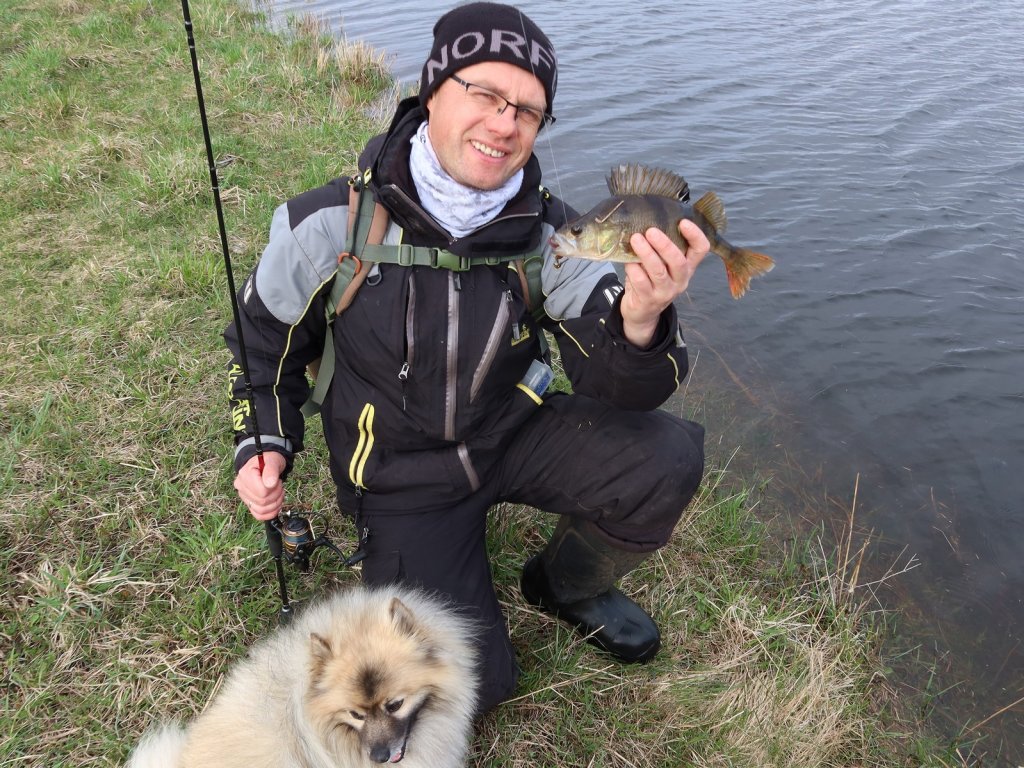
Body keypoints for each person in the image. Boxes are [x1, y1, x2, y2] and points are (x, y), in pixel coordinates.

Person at [226, 1, 708, 715]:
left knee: (666, 459)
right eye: (484, 93)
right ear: (432, 90)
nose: (504, 123)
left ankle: (564, 585)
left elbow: (622, 385)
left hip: (512, 434)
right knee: (469, 688)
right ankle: (431, 561)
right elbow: (263, 344)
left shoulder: (553, 234)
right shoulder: (330, 224)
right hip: (402, 477)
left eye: (528, 110)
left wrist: (641, 318)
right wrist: (263, 442)